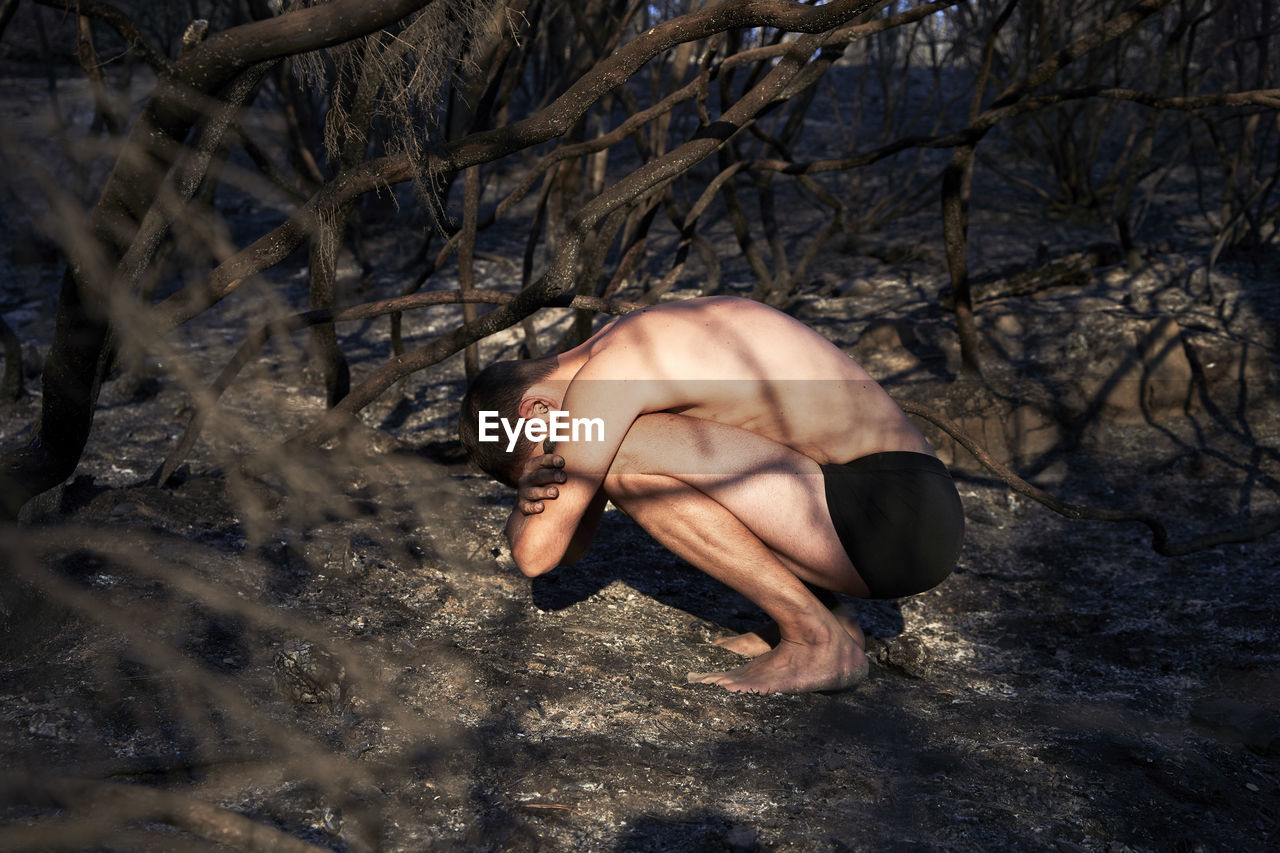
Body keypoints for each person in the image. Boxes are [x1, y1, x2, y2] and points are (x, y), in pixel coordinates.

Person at [458, 296, 963, 694]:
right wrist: (544, 498)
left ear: (536, 410)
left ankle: (816, 639)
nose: (560, 462)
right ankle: (832, 617)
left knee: (621, 461)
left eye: (549, 452)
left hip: (891, 518)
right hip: (899, 508)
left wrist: (527, 511)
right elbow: (572, 537)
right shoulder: (632, 337)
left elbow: (537, 555)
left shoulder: (610, 376)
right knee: (618, 457)